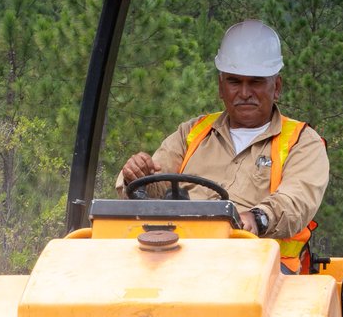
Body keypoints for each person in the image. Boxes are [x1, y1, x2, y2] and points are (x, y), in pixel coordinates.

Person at [119, 20, 330, 272]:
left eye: (256, 82)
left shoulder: (302, 141)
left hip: (261, 268)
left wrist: (257, 217)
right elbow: (155, 184)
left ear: (277, 88)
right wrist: (137, 176)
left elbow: (296, 201)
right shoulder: (192, 132)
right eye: (234, 81)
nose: (244, 92)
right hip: (174, 259)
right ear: (221, 87)